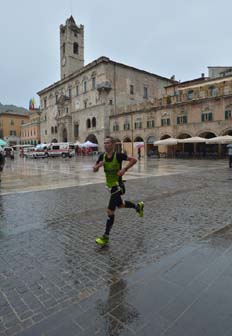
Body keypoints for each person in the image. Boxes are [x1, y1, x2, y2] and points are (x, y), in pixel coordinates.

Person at [93, 136, 144, 246]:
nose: (106, 145)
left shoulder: (119, 155)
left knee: (110, 211)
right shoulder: (102, 156)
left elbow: (134, 160)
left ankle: (105, 237)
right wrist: (97, 166)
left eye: (108, 143)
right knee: (120, 205)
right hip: (110, 187)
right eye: (104, 143)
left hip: (119, 186)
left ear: (113, 144)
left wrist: (124, 169)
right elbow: (94, 170)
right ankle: (137, 207)